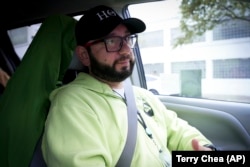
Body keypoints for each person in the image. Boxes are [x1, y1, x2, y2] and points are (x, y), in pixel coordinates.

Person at [41, 5, 216, 167]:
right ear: (84, 55)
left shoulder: (142, 95)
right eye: (111, 41)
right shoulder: (72, 104)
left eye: (127, 39)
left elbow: (178, 131)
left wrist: (203, 152)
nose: (126, 50)